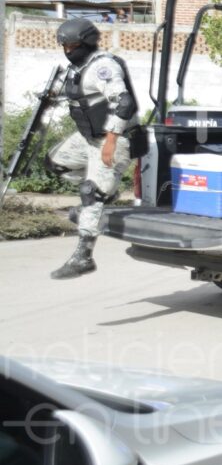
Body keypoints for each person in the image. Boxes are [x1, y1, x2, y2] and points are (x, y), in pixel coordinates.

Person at [46, 18, 140, 279]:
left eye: (72, 45)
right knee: (55, 163)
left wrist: (110, 142)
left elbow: (124, 103)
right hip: (88, 137)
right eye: (64, 45)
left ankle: (83, 256)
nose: (67, 50)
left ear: (86, 42)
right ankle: (106, 189)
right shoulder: (79, 66)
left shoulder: (103, 67)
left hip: (114, 138)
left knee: (91, 193)